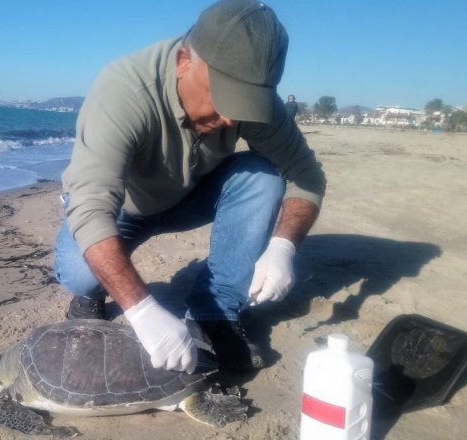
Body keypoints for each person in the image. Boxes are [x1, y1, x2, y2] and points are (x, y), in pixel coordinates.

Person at [54, 0, 325, 374]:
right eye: (225, 97)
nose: (233, 116)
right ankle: (91, 295)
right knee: (80, 274)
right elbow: (90, 207)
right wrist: (141, 309)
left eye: (247, 103)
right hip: (123, 207)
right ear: (184, 61)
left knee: (262, 174)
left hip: (188, 197)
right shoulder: (124, 91)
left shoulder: (256, 105)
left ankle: (213, 314)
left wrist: (283, 246)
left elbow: (307, 176)